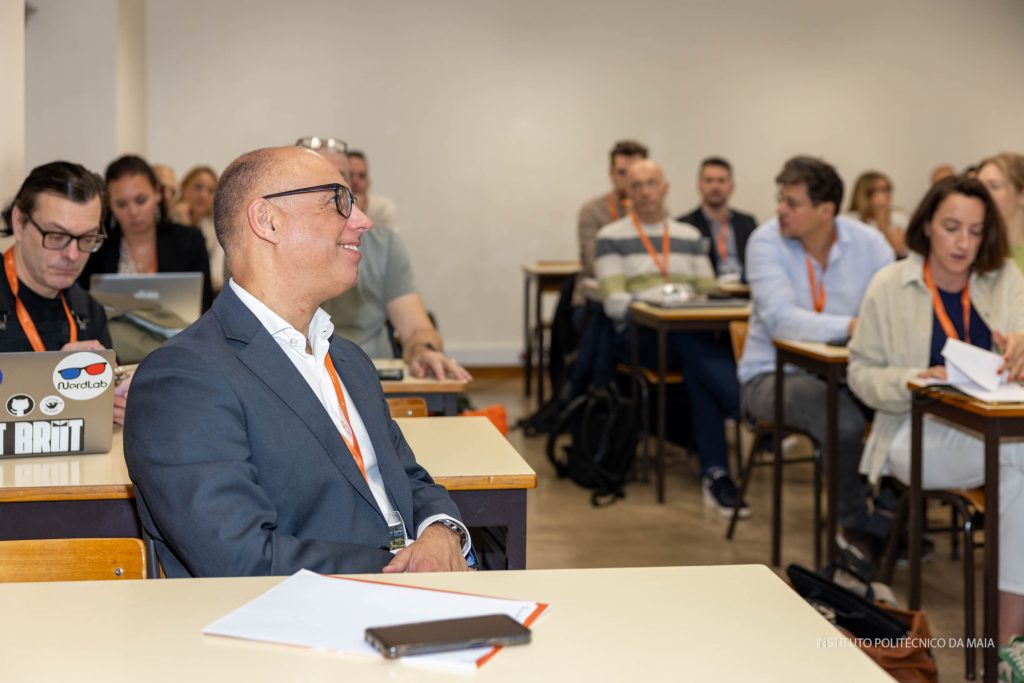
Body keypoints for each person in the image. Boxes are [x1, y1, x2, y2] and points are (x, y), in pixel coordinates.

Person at [124, 146, 473, 577]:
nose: (363, 221)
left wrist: (442, 532)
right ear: (267, 220)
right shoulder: (184, 378)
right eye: (338, 201)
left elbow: (410, 481)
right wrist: (404, 569)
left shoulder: (348, 360)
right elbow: (241, 559)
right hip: (302, 612)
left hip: (408, 594)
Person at [848, 175, 1024, 643]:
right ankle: (1009, 645)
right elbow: (859, 373)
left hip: (994, 432)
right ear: (926, 224)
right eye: (951, 227)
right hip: (912, 435)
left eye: (975, 231)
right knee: (1019, 457)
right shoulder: (890, 284)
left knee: (1018, 472)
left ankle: (1007, 642)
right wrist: (915, 379)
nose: (963, 243)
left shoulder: (1005, 278)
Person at [737, 156, 895, 572]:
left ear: (826, 211)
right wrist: (853, 326)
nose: (780, 209)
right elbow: (781, 321)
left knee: (908, 409)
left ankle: (886, 522)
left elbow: (890, 310)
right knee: (841, 420)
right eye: (780, 199)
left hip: (850, 373)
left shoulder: (870, 244)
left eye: (792, 203)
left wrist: (865, 328)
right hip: (773, 375)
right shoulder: (765, 242)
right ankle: (854, 528)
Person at [595, 159, 746, 515]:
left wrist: (682, 302)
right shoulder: (611, 237)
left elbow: (710, 291)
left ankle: (716, 474)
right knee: (696, 349)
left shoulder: (689, 236)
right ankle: (744, 406)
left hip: (687, 339)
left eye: (652, 183)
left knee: (696, 360)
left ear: (665, 188)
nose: (646, 192)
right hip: (640, 338)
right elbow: (615, 303)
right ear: (627, 192)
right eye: (637, 186)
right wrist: (662, 298)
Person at [299, 137, 471, 381]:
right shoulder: (273, 246)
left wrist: (422, 350)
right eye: (320, 181)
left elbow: (416, 327)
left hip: (371, 375)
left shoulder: (384, 244)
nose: (334, 190)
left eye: (341, 180)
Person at [0, 161, 129, 424]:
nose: (72, 255)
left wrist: (119, 400)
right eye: (56, 236)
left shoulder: (88, 310)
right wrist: (51, 381)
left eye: (87, 238)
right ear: (19, 223)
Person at [79, 155, 213, 310]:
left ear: (157, 193)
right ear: (110, 204)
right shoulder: (98, 249)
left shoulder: (189, 242)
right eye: (121, 204)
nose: (133, 212)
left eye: (141, 200)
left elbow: (205, 306)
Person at [573, 140, 648, 307]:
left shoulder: (654, 214)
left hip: (644, 296)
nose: (629, 180)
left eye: (635, 173)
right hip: (598, 299)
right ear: (611, 174)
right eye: (622, 173)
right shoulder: (592, 211)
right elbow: (594, 265)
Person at [676, 157, 758, 280]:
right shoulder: (685, 226)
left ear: (732, 186)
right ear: (699, 185)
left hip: (745, 288)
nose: (715, 186)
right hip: (707, 288)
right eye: (709, 180)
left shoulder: (747, 223)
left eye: (721, 180)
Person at [173, 165, 225, 289]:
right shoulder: (169, 221)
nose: (203, 195)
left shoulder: (214, 228)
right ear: (183, 188)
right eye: (198, 187)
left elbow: (216, 278)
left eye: (210, 191)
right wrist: (184, 223)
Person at [978, 153, 1024, 273]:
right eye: (979, 187)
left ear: (1022, 195)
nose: (982, 194)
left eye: (994, 186)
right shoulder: (972, 251)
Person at [846, 171, 909, 257]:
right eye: (882, 190)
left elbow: (899, 251)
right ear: (866, 193)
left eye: (888, 189)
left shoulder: (899, 217)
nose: (888, 194)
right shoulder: (849, 219)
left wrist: (883, 225)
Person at [348, 150, 397, 232]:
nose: (355, 181)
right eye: (350, 175)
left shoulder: (383, 208)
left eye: (362, 175)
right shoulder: (330, 208)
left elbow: (388, 238)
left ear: (368, 182)